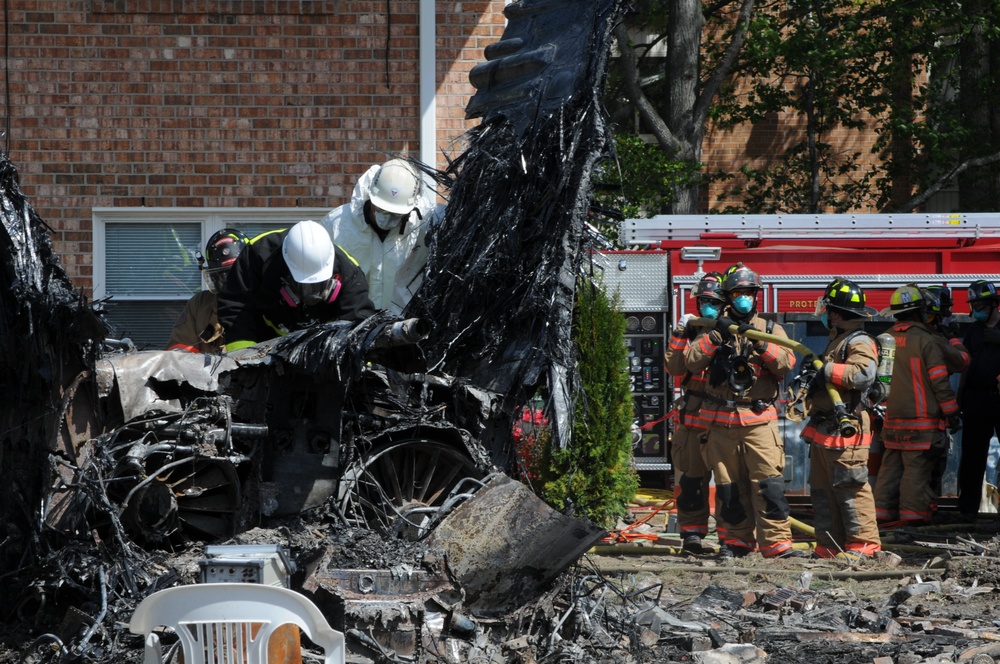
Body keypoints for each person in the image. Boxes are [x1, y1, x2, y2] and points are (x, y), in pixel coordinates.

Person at [684, 263, 803, 559]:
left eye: (749, 292)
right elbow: (690, 362)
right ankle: (735, 542)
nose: (744, 298)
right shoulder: (713, 328)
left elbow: (786, 364)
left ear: (756, 296)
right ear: (728, 295)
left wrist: (759, 342)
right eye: (737, 293)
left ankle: (776, 545)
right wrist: (714, 337)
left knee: (769, 485)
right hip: (721, 425)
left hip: (759, 421)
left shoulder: (771, 329)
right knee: (728, 489)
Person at [799, 278, 882, 559]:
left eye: (827, 309)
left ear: (835, 312)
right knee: (823, 492)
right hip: (826, 428)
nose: (823, 313)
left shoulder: (858, 340)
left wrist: (827, 370)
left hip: (848, 428)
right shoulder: (838, 340)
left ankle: (863, 546)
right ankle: (829, 547)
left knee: (851, 488)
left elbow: (863, 375)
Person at [874, 284, 960, 527]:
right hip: (922, 424)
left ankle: (882, 514)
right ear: (920, 312)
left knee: (890, 469)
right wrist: (952, 412)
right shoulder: (927, 341)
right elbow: (940, 383)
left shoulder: (885, 339)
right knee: (916, 470)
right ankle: (912, 520)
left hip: (891, 421)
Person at [217, 220, 376, 351]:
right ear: (287, 273)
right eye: (305, 287)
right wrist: (244, 357)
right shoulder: (258, 256)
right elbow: (236, 306)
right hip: (263, 339)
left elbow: (358, 323)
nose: (311, 296)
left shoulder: (348, 271)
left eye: (318, 286)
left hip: (323, 346)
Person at [322, 158, 441, 315]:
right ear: (370, 196)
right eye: (381, 209)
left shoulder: (426, 224)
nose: (388, 218)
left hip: (405, 325)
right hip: (351, 322)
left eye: (396, 214)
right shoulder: (337, 225)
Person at [664, 272, 727, 554]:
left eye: (712, 301)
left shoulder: (731, 331)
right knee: (691, 481)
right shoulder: (692, 331)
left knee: (728, 483)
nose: (706, 306)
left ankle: (730, 538)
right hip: (692, 419)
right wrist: (679, 335)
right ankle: (692, 534)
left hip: (723, 421)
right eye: (702, 301)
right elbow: (675, 368)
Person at [956, 280, 1000, 518]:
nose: (976, 310)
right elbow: (965, 366)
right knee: (972, 457)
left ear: (994, 304)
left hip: (998, 398)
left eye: (981, 304)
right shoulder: (973, 331)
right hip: (976, 399)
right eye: (974, 305)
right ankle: (968, 510)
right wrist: (960, 398)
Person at [166, 228, 249, 353]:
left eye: (236, 273)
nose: (231, 282)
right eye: (223, 275)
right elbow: (179, 352)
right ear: (214, 277)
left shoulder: (265, 299)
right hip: (204, 372)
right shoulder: (199, 305)